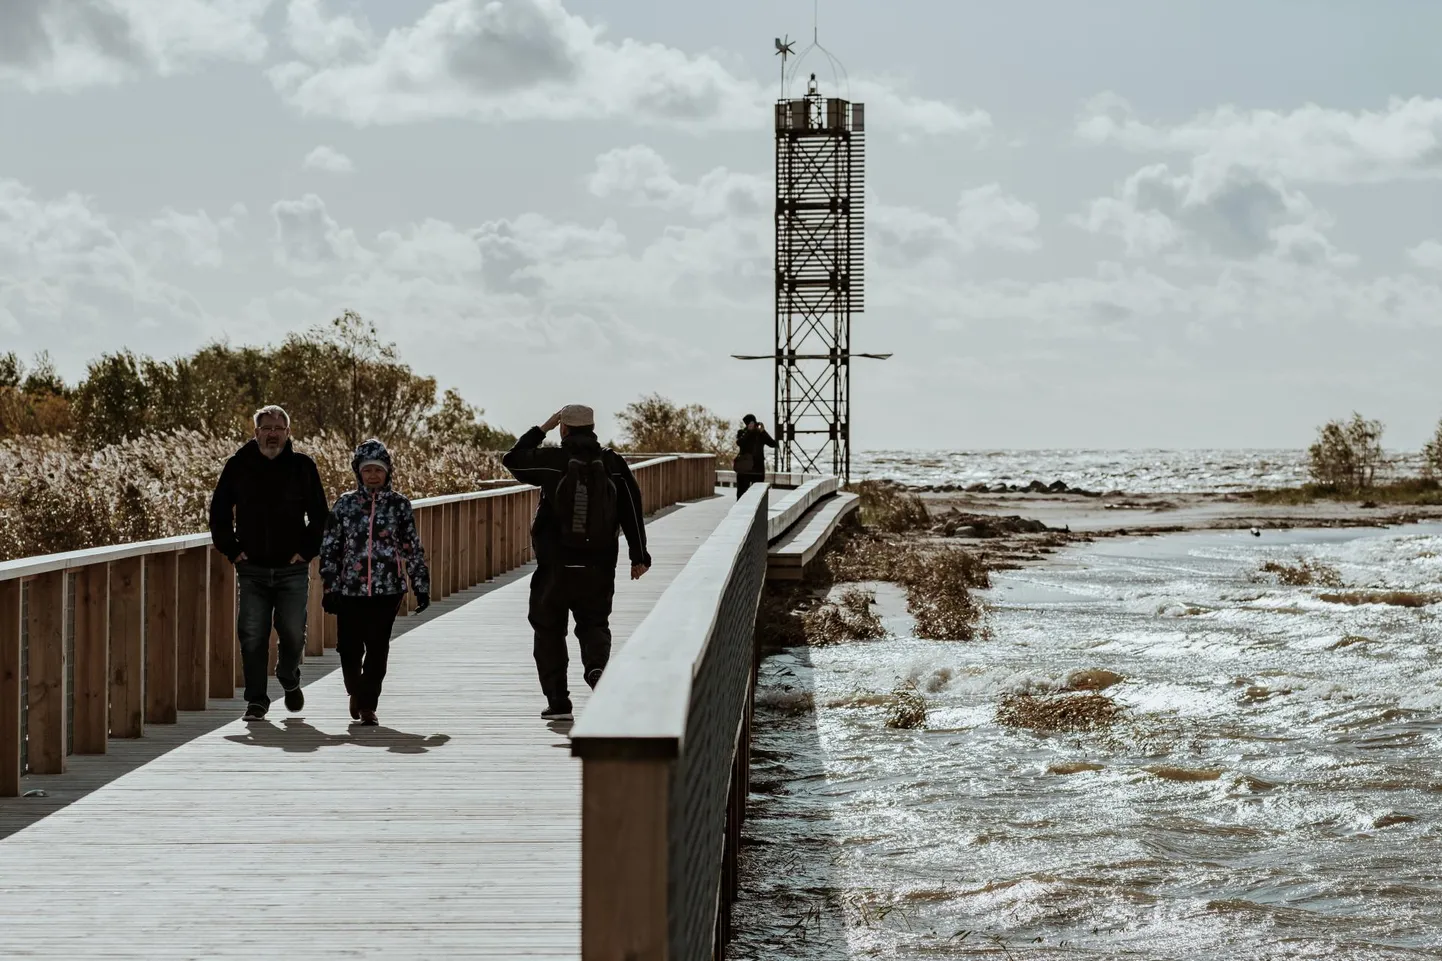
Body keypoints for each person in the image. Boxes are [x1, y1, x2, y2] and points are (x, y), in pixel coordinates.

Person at [502, 404, 652, 721]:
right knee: (594, 624)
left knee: (548, 630)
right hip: (598, 565)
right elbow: (631, 508)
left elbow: (512, 460)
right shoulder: (612, 463)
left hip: (555, 566)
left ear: (564, 429)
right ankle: (596, 668)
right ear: (593, 427)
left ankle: (558, 702)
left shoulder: (553, 461)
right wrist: (639, 555)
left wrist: (541, 428)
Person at [209, 405, 330, 721]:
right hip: (252, 569)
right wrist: (232, 550)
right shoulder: (238, 466)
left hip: (292, 567)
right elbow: (219, 512)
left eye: (279, 428)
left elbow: (320, 515)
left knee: (293, 633)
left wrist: (306, 551)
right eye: (267, 427)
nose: (273, 433)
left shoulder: (302, 466)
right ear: (256, 432)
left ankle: (289, 676)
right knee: (251, 634)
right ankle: (257, 701)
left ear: (288, 433)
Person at [319, 439, 430, 727]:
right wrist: (330, 586)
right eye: (367, 470)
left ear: (388, 472)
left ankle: (368, 705)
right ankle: (355, 689)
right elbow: (330, 546)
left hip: (388, 588)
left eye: (378, 470)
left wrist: (421, 583)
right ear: (357, 471)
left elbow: (411, 546)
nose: (372, 475)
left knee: (378, 647)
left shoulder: (399, 505)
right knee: (349, 647)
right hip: (350, 588)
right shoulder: (344, 504)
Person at [733, 413, 776, 498]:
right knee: (741, 494)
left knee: (757, 496)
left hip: (757, 469)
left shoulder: (760, 434)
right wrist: (749, 432)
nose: (751, 425)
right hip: (744, 469)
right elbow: (740, 443)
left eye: (752, 423)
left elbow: (773, 444)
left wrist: (763, 431)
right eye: (749, 423)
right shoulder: (743, 433)